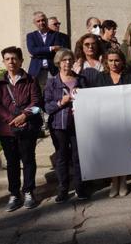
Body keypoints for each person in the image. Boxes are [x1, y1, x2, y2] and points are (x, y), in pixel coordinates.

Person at [0, 46, 42, 211]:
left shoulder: (31, 80)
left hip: (28, 127)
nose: (11, 62)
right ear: (4, 62)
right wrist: (12, 119)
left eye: (14, 58)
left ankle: (28, 191)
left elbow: (36, 102)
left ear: (21, 60)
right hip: (7, 130)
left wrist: (24, 116)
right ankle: (14, 194)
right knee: (12, 163)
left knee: (28, 160)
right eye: (7, 59)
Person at [45, 49, 90, 203]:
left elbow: (91, 101)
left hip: (78, 124)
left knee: (78, 157)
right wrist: (60, 102)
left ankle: (80, 187)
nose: (67, 63)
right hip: (59, 125)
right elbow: (47, 106)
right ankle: (63, 189)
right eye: (64, 60)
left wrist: (82, 96)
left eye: (70, 60)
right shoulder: (52, 82)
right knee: (62, 157)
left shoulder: (81, 80)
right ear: (58, 63)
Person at [96, 48, 131, 196]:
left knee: (125, 151)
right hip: (108, 122)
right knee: (111, 152)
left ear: (122, 61)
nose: (114, 63)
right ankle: (114, 181)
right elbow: (92, 98)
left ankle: (124, 181)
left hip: (127, 121)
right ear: (106, 62)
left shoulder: (130, 77)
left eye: (117, 60)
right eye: (111, 60)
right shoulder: (101, 78)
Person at [26, 11, 66, 88]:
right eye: (38, 21)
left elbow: (57, 51)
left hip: (52, 69)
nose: (41, 22)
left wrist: (38, 52)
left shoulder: (55, 34)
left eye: (43, 20)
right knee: (37, 93)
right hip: (37, 70)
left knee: (54, 91)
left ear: (47, 21)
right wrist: (50, 48)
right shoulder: (31, 36)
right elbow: (32, 50)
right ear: (34, 23)